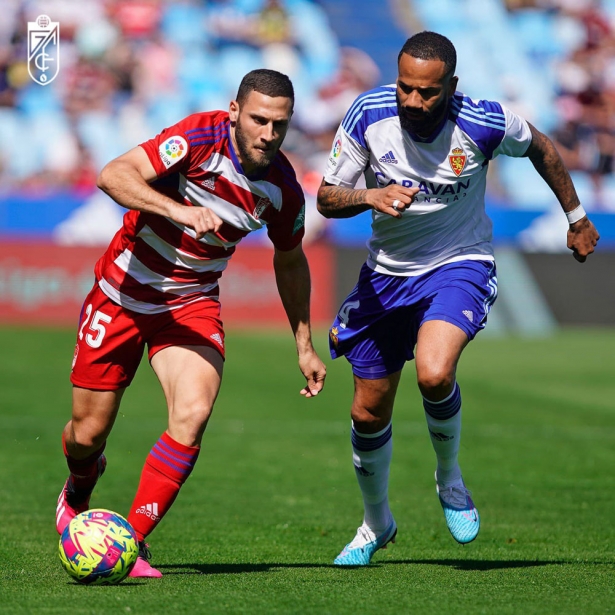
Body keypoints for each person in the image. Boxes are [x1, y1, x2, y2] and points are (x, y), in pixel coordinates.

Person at [316, 31, 599, 566]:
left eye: (427, 92)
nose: (413, 102)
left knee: (433, 372)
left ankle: (449, 479)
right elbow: (327, 198)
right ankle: (376, 523)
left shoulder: (485, 121)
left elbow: (540, 146)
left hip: (458, 263)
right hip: (385, 276)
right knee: (368, 411)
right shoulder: (367, 114)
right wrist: (370, 195)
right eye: (405, 89)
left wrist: (577, 216)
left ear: (451, 86)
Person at [56, 69, 327, 578]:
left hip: (190, 304)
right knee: (87, 435)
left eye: (280, 125)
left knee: (194, 410)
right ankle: (78, 487)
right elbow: (113, 174)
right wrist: (176, 210)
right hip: (122, 292)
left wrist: (304, 344)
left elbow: (290, 260)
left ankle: (128, 544)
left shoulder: (283, 189)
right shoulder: (200, 138)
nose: (268, 134)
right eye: (259, 120)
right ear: (234, 111)